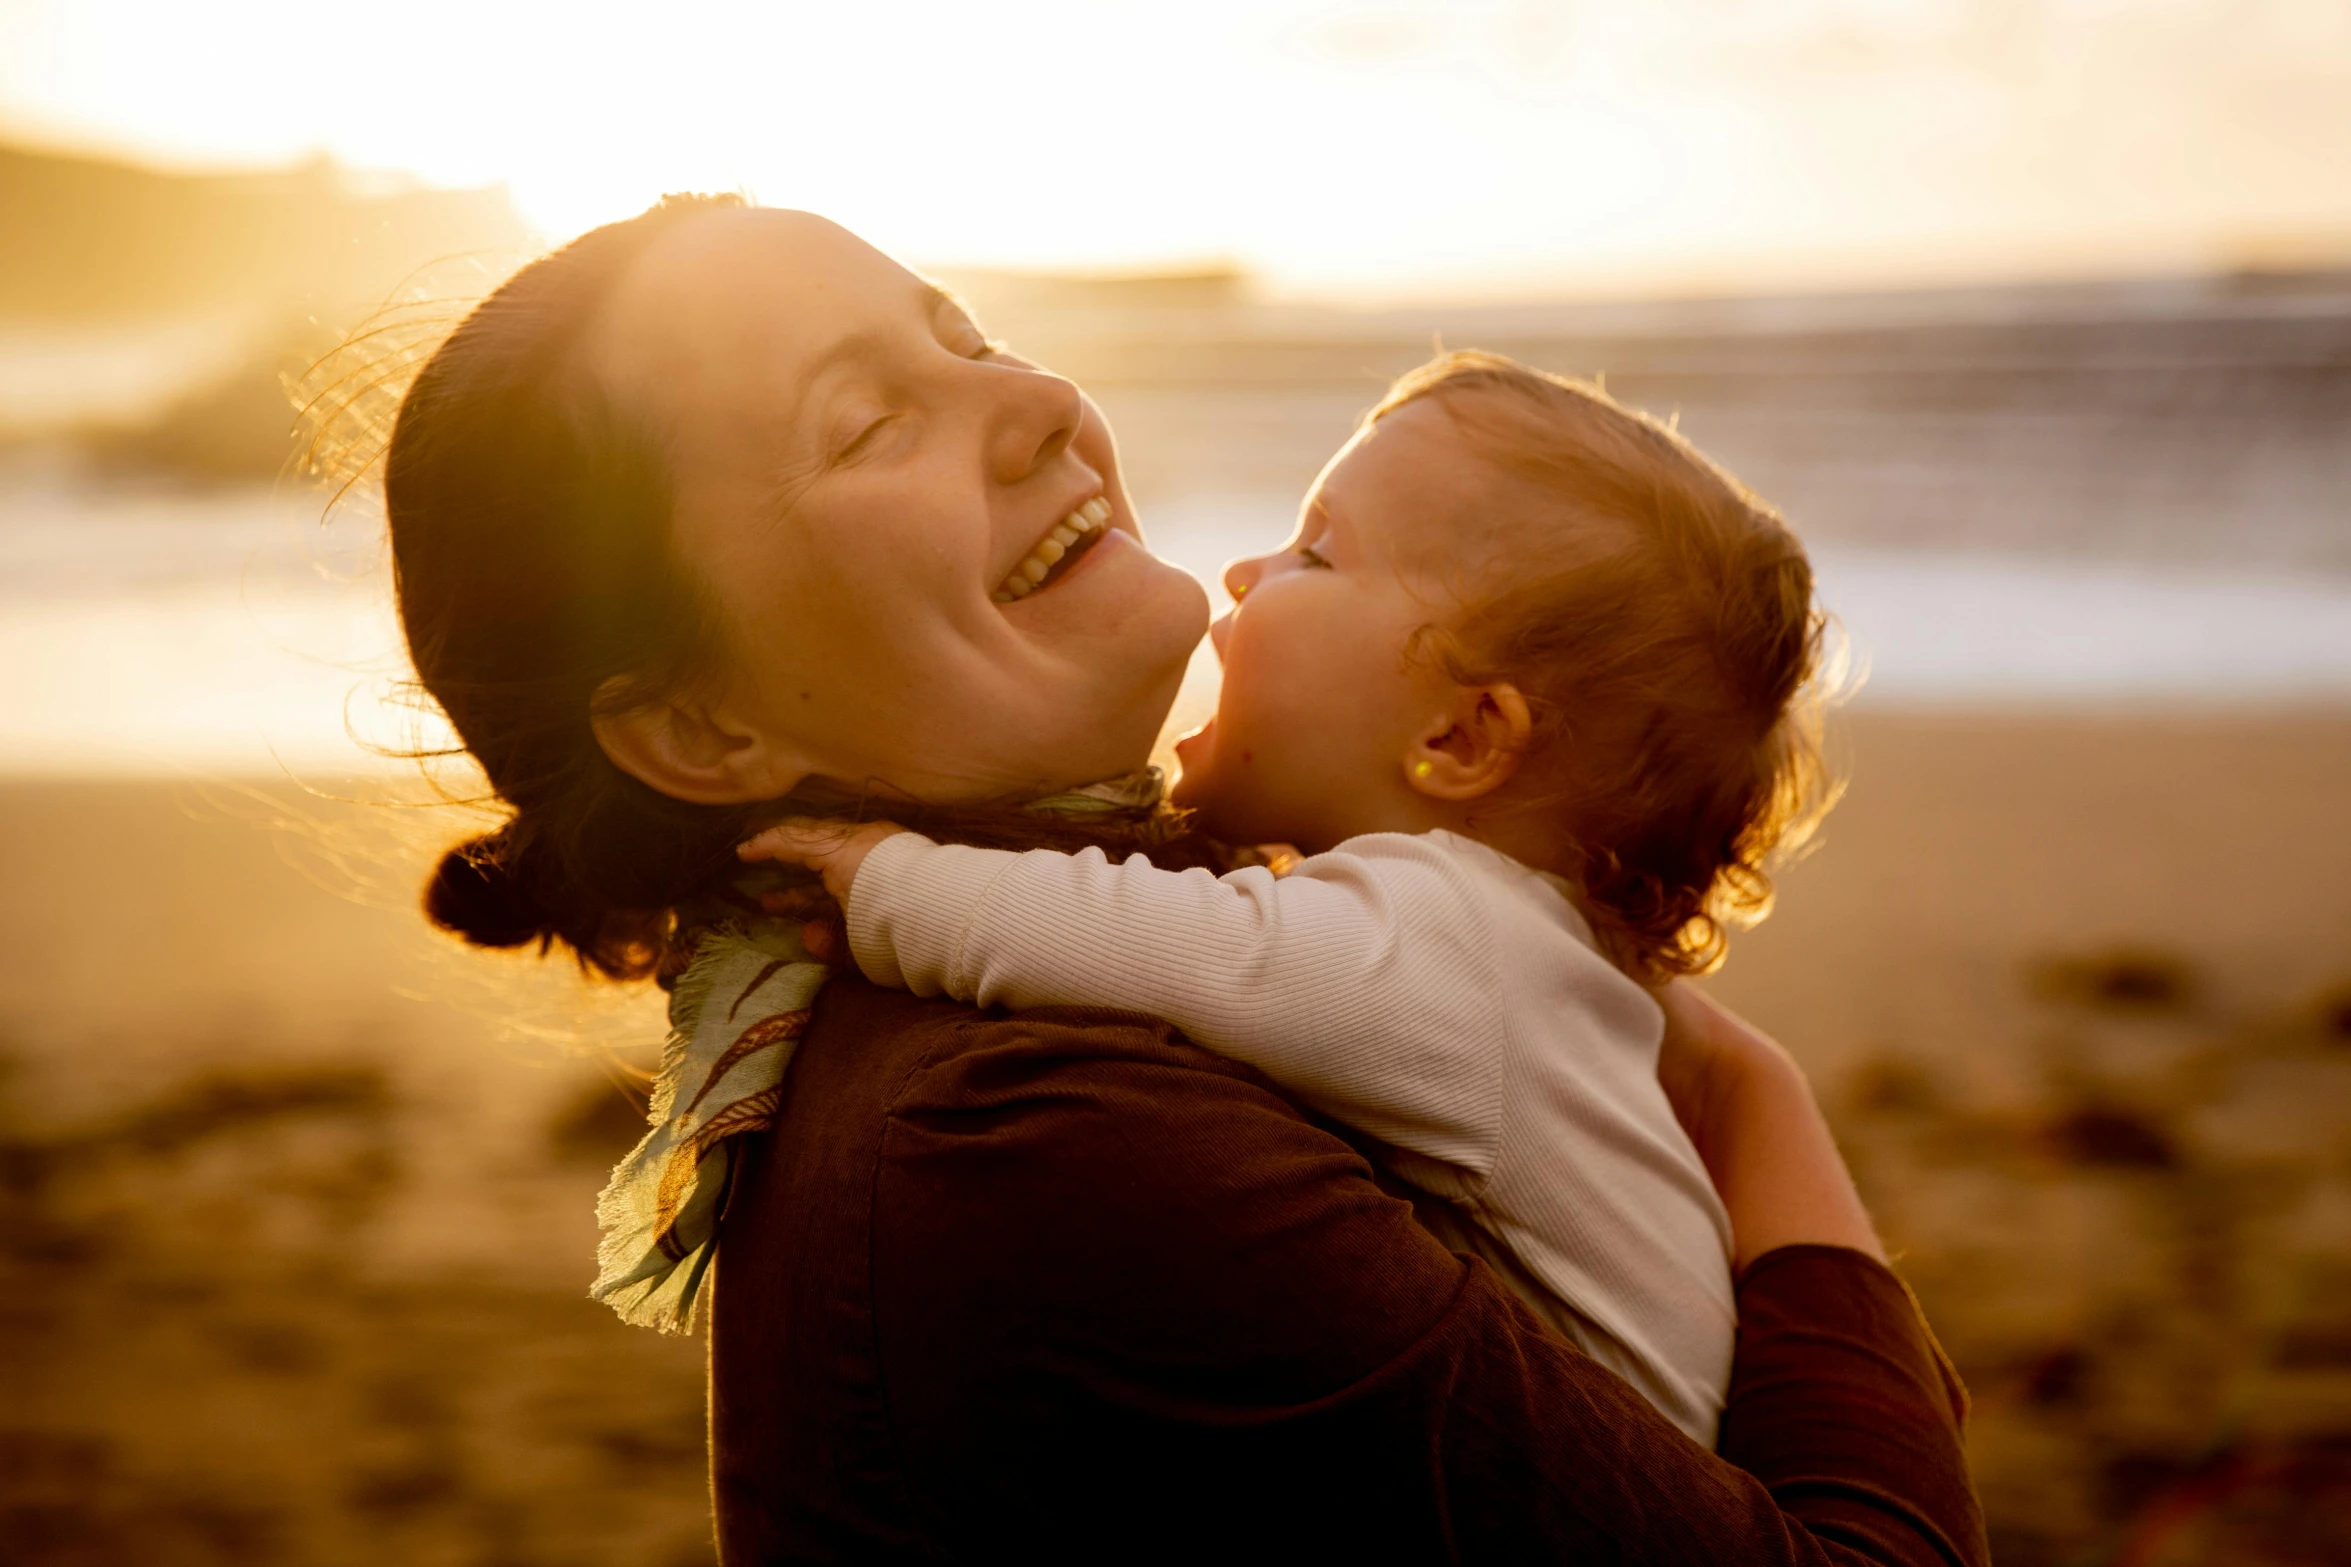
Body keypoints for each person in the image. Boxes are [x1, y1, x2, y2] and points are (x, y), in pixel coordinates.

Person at [383, 193, 1985, 1561]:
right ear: (694, 722)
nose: (1033, 398)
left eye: (964, 333)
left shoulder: (1100, 975)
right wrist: (1751, 1103)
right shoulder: (1035, 1133)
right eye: (868, 420)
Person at [736, 349, 1835, 1444]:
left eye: (1314, 551)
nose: (1242, 575)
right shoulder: (1517, 960)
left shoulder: (1452, 939)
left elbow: (1176, 945)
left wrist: (887, 881)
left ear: (1456, 736)